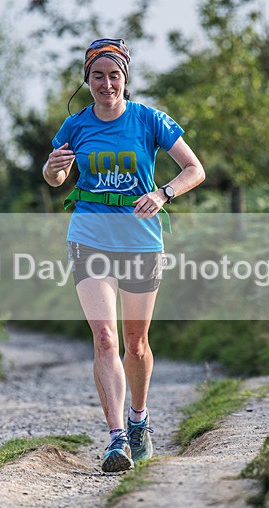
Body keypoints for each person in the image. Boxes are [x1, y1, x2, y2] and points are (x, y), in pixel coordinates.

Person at [42, 38, 205, 473]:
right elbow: (55, 175)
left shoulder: (149, 119)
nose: (107, 83)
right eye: (98, 75)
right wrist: (54, 168)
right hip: (89, 234)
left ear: (125, 79)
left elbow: (195, 169)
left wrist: (163, 192)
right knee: (105, 338)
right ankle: (116, 440)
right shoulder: (75, 125)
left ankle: (139, 419)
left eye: (114, 75)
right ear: (88, 79)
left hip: (140, 239)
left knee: (135, 343)